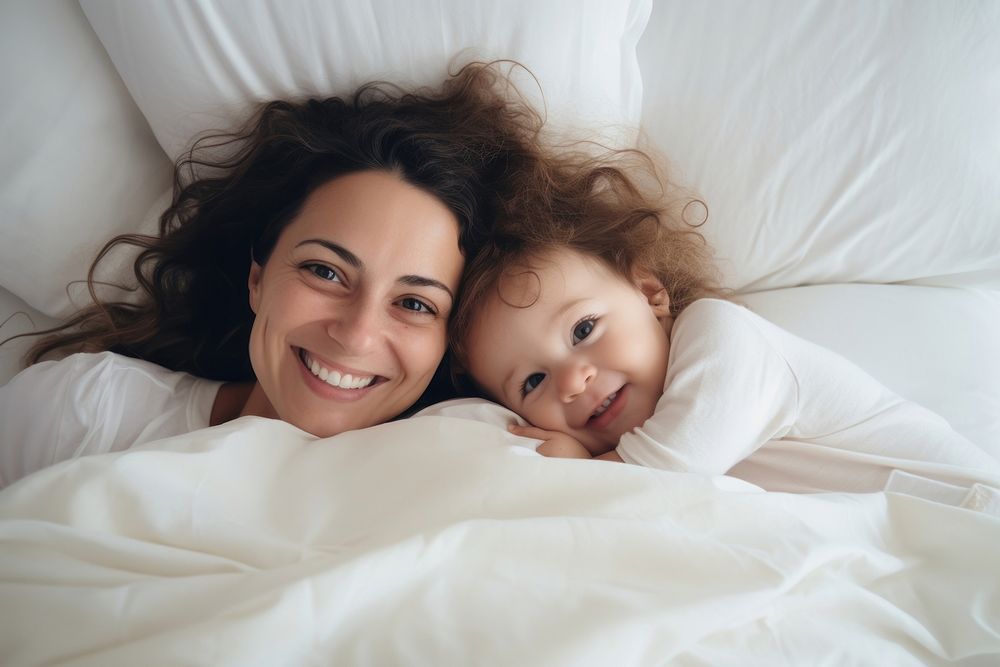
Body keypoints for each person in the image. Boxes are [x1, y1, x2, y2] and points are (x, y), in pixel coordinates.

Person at [0, 62, 544, 486]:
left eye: (415, 304)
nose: (356, 334)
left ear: (449, 343)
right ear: (257, 278)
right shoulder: (85, 414)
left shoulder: (484, 463)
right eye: (325, 272)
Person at [447, 145, 1000, 494]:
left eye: (584, 329)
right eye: (533, 381)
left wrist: (581, 470)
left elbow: (678, 462)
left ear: (650, 293)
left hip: (964, 514)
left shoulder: (721, 334)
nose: (572, 381)